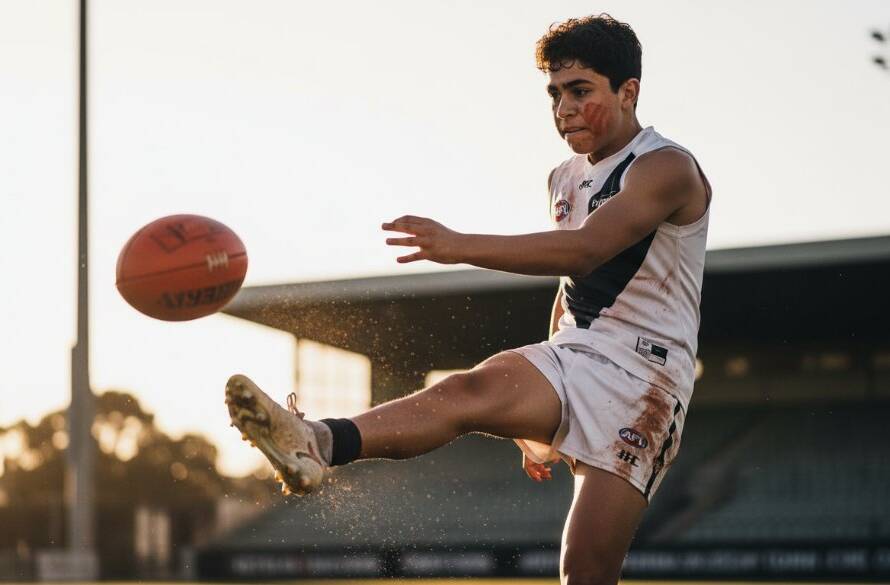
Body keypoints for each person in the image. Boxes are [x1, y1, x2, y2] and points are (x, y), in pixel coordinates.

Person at [225, 13, 710, 585]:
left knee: (584, 572)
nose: (563, 109)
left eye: (580, 91)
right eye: (554, 94)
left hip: (645, 382)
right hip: (577, 351)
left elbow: (584, 251)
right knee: (467, 388)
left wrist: (455, 245)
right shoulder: (563, 177)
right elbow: (573, 287)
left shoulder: (666, 167)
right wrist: (545, 405)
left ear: (629, 91)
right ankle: (317, 440)